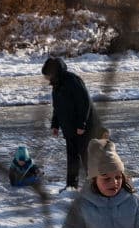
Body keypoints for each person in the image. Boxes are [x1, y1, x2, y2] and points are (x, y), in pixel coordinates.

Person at [42, 56, 101, 190]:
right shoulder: (56, 85)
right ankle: (71, 186)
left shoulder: (72, 80)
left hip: (83, 128)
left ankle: (95, 185)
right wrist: (55, 125)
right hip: (69, 129)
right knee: (72, 157)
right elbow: (57, 107)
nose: (46, 78)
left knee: (87, 157)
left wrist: (82, 125)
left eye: (47, 75)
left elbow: (84, 102)